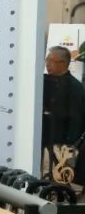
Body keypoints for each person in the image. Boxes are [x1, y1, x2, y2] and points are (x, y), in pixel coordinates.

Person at [42, 46, 85, 183]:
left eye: (51, 61)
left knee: (63, 178)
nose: (48, 64)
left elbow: (77, 117)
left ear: (63, 63)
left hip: (65, 140)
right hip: (44, 135)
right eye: (47, 60)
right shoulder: (42, 81)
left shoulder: (75, 87)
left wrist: (71, 142)